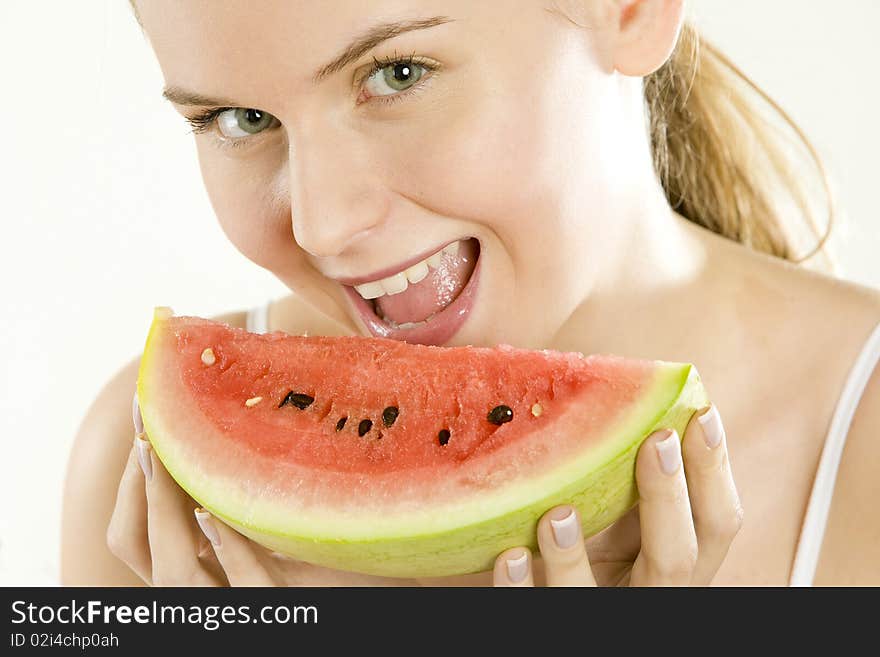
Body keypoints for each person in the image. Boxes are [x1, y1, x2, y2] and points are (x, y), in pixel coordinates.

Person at [62, 0, 880, 586]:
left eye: (396, 72)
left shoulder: (860, 443)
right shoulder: (141, 487)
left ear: (629, 11)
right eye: (239, 119)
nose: (322, 224)